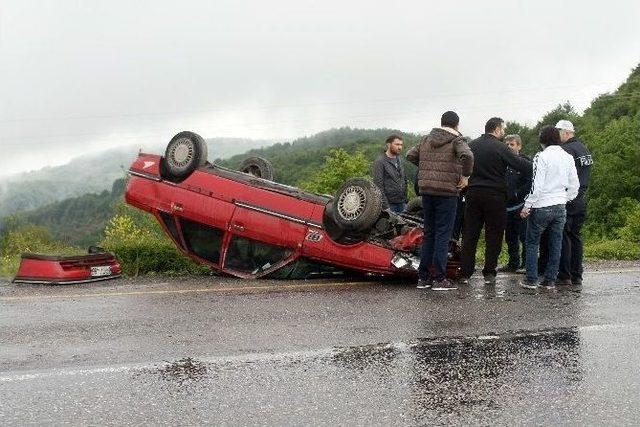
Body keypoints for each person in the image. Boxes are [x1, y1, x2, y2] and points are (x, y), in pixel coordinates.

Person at [459, 118, 532, 285]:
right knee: (494, 235)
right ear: (497, 129)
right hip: (496, 196)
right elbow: (522, 166)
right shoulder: (501, 147)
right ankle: (489, 272)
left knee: (470, 234)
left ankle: (465, 272)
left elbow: (460, 166)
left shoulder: (472, 145)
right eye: (503, 129)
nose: (504, 132)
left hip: (474, 193)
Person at [406, 111, 474, 291]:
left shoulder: (426, 139)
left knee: (429, 233)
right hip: (447, 193)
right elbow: (468, 156)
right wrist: (465, 177)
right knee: (443, 235)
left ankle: (423, 278)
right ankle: (439, 278)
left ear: (441, 122)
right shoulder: (457, 140)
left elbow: (410, 155)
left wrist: (428, 170)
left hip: (426, 191)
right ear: (456, 125)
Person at [520, 126, 579, 289]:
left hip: (541, 206)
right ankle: (550, 280)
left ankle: (531, 279)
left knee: (532, 243)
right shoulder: (567, 157)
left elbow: (536, 186)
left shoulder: (541, 156)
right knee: (556, 243)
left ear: (542, 141)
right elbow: (575, 185)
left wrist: (527, 205)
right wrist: (564, 199)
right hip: (560, 206)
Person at [555, 120, 593, 286]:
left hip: (568, 197)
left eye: (558, 133)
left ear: (565, 132)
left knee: (564, 236)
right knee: (575, 236)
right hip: (581, 198)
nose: (557, 136)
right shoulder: (584, 148)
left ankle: (565, 274)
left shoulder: (566, 150)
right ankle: (577, 274)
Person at [497, 134, 531, 273]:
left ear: (519, 146)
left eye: (512, 144)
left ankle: (526, 264)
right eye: (507, 145)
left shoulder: (525, 162)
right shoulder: (501, 162)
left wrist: (518, 193)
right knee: (510, 237)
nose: (509, 147)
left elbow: (530, 181)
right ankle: (513, 263)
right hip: (506, 207)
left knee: (524, 236)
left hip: (521, 206)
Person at [372, 135, 408, 213]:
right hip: (389, 205)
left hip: (402, 203)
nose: (400, 147)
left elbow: (404, 180)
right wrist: (386, 207)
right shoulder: (380, 162)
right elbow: (378, 186)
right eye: (397, 144)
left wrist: (405, 200)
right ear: (388, 145)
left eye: (401, 145)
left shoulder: (400, 160)